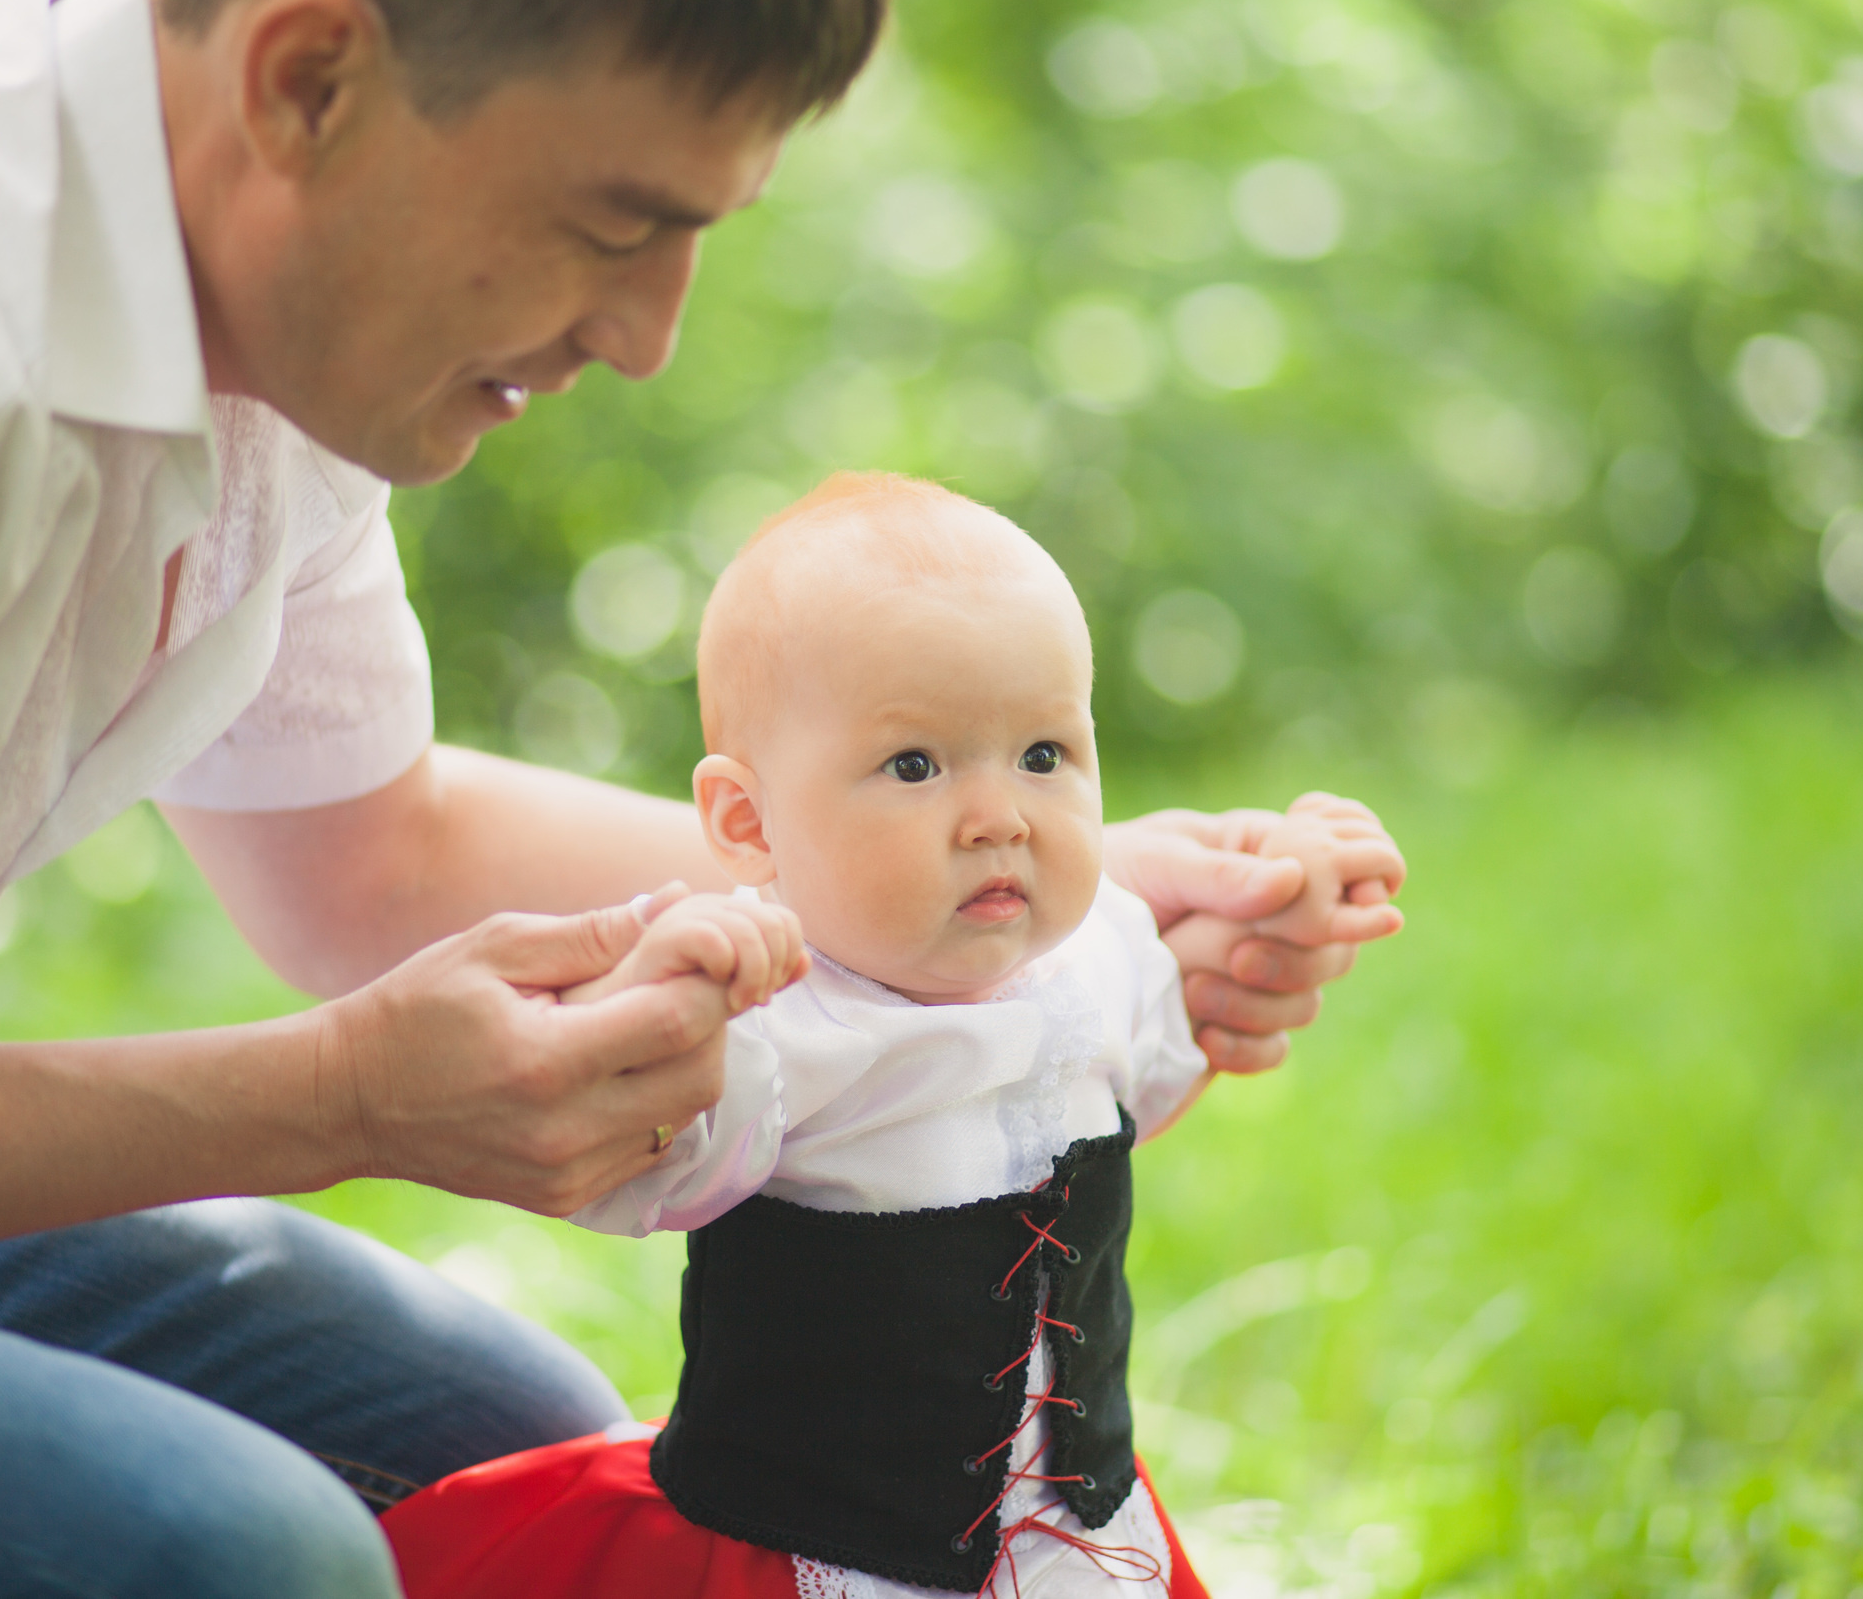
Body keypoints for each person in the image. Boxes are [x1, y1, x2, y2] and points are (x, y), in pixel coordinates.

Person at [0, 0, 1396, 1595]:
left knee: (508, 1440)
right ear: (311, 78)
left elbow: (373, 860)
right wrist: (340, 1096)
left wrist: (1012, 891)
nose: (648, 334)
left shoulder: (267, 333)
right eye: (614, 225)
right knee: (242, 1556)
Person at [379, 474, 1408, 1599]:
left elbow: (1149, 1080)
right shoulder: (773, 1032)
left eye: (1044, 754)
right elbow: (622, 1146)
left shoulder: (1106, 953)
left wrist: (1291, 888)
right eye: (915, 765)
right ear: (747, 821)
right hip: (821, 1542)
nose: (999, 817)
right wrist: (648, 1012)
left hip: (1070, 1533)